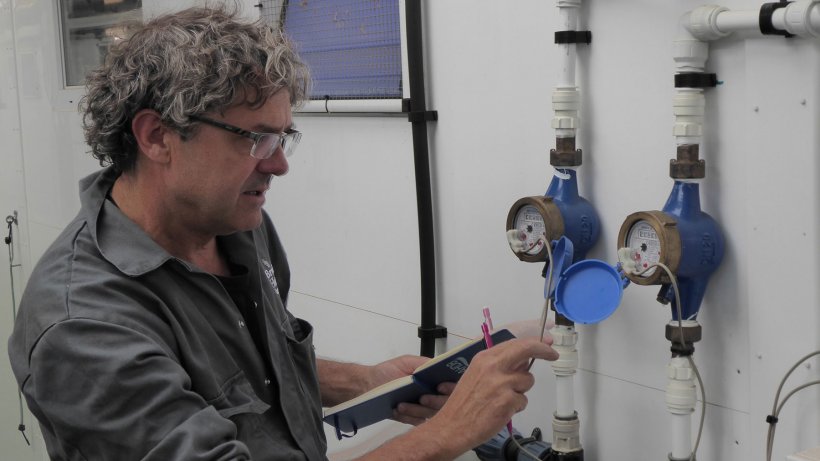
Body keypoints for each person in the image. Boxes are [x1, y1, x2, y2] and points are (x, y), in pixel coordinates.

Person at [8, 5, 558, 460]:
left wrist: (369, 381)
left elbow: (245, 371)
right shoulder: (82, 324)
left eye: (281, 139)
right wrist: (450, 432)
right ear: (156, 137)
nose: (277, 166)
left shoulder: (238, 229)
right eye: (255, 140)